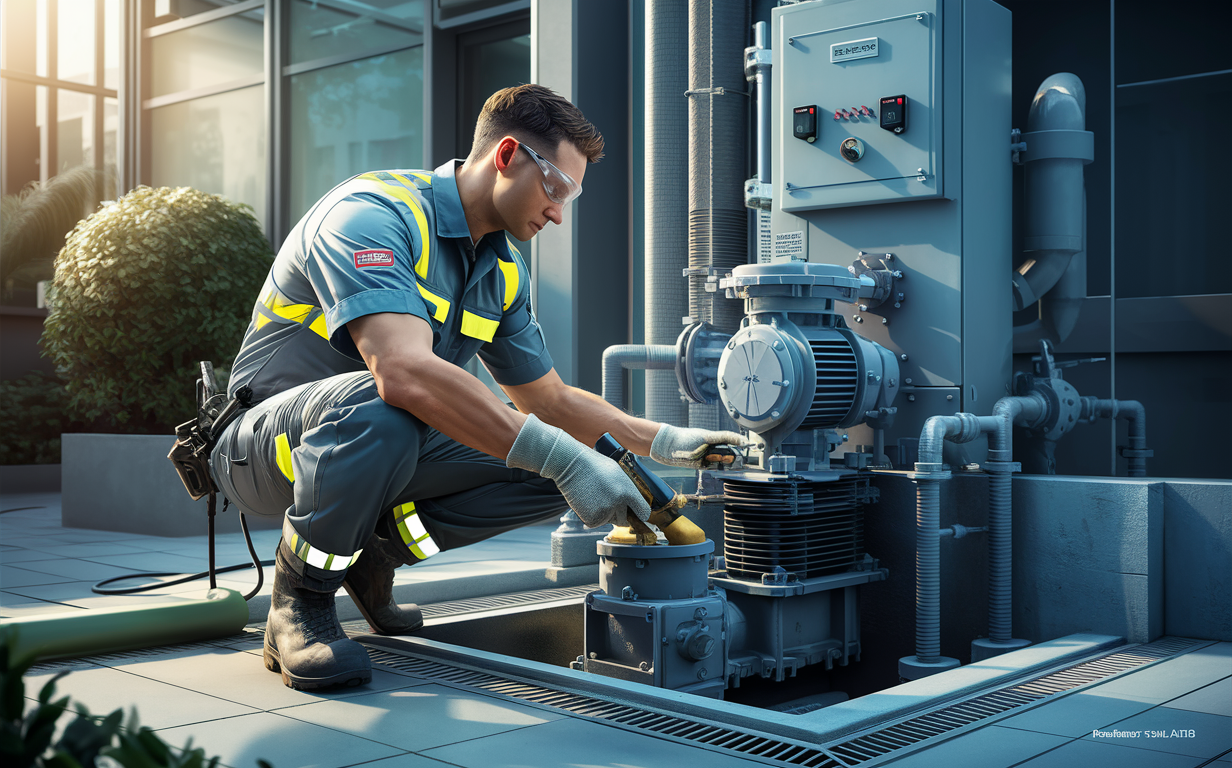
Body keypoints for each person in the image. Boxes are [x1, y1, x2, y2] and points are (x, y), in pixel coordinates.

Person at [209, 84, 746, 691]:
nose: (559, 213)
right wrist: (560, 455)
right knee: (387, 405)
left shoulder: (501, 270)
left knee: (579, 459)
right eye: (558, 189)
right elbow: (402, 372)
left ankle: (373, 555)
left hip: (374, 442)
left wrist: (670, 442)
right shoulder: (370, 214)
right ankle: (300, 599)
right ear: (509, 155)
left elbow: (552, 403)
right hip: (262, 445)